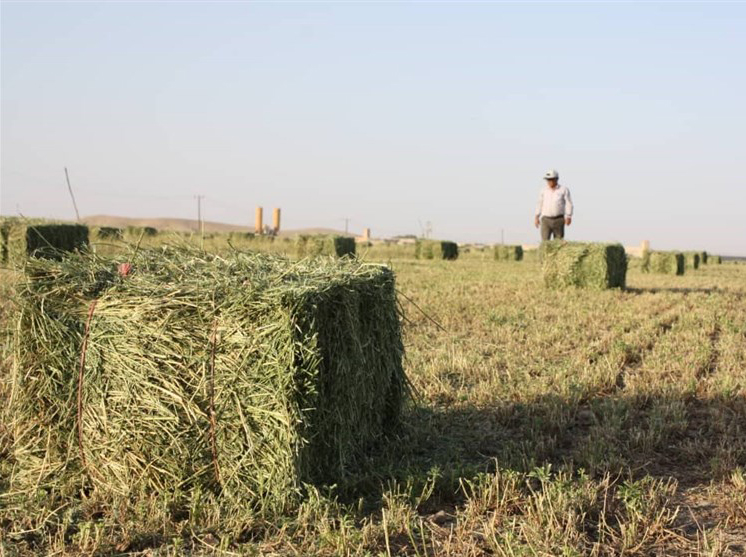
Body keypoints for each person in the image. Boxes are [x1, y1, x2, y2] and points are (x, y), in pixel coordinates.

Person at [534, 169, 573, 240]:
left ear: (556, 179)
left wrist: (569, 216)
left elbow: (568, 203)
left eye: (551, 179)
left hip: (559, 219)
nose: (549, 181)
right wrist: (536, 217)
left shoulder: (563, 189)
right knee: (545, 242)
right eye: (548, 180)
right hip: (546, 219)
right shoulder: (543, 190)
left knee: (558, 242)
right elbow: (539, 203)